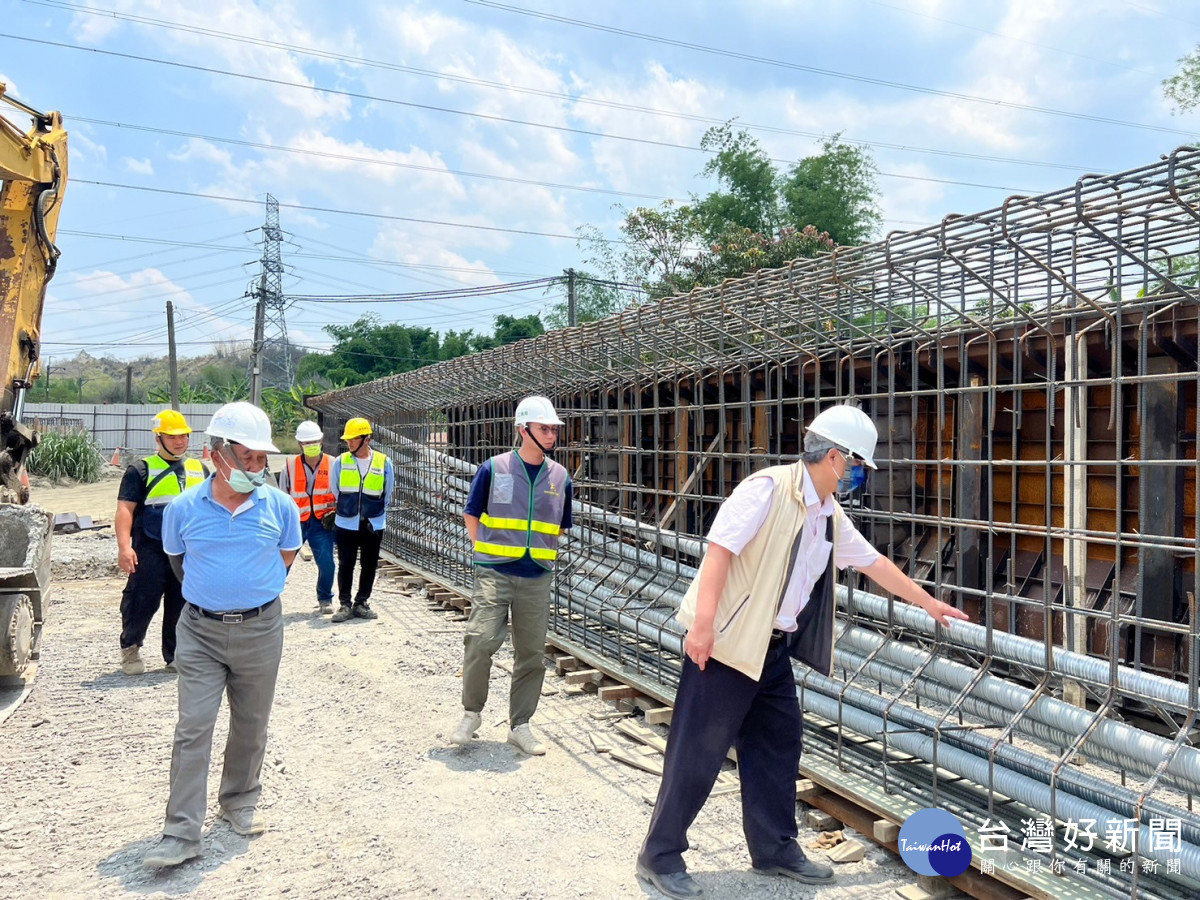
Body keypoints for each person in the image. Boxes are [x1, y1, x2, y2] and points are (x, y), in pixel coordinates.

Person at [635, 405, 970, 899]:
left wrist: (928, 603)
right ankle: (659, 856)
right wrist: (702, 628)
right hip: (728, 643)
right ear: (835, 457)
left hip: (769, 650)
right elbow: (719, 551)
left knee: (778, 742)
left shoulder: (828, 514)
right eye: (857, 465)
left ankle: (774, 849)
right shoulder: (767, 490)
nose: (859, 476)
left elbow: (874, 563)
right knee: (697, 751)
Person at [141, 401, 301, 869]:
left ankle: (239, 800)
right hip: (200, 631)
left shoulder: (281, 506)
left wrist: (251, 592)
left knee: (252, 723)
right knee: (193, 727)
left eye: (261, 459)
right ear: (217, 455)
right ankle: (180, 833)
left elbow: (287, 554)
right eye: (246, 457)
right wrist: (216, 593)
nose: (256, 467)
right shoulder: (184, 508)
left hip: (262, 627)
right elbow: (178, 563)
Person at [449, 395, 573, 756]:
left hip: (537, 576)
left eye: (553, 429)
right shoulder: (494, 468)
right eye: (544, 428)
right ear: (524, 429)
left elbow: (560, 526)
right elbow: (472, 513)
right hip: (494, 572)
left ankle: (520, 725)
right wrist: (484, 551)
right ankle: (471, 714)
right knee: (480, 638)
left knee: (531, 653)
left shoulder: (561, 477)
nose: (551, 435)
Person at [116, 409, 207, 675]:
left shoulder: (198, 469)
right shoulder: (140, 470)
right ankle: (131, 649)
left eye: (184, 436)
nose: (180, 442)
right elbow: (125, 510)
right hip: (150, 547)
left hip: (187, 550)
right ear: (159, 438)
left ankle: (176, 654)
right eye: (173, 436)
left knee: (182, 602)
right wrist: (124, 547)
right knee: (143, 599)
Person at [329, 418, 394, 622]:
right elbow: (335, 489)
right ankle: (345, 605)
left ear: (366, 439)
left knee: (369, 565)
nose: (349, 443)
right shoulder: (341, 461)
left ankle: (361, 602)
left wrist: (373, 511)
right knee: (345, 564)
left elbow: (388, 491)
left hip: (373, 523)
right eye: (347, 439)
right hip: (345, 522)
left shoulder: (383, 462)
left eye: (353, 439)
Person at [277, 420, 337, 615]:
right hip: (296, 522)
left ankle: (325, 599)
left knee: (327, 562)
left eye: (314, 441)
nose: (310, 445)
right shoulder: (290, 465)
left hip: (322, 522)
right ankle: (269, 598)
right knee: (282, 561)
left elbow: (339, 492)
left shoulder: (333, 463)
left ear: (321, 440)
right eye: (306, 442)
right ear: (300, 444)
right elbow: (283, 495)